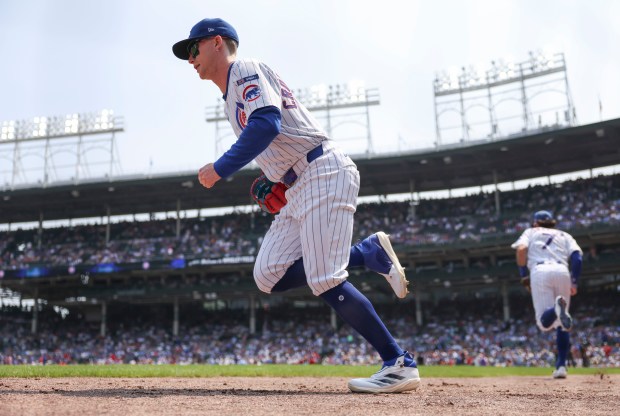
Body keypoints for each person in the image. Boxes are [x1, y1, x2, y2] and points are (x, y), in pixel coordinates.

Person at [172, 18, 419, 393]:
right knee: (267, 274)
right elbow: (273, 135)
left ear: (217, 43)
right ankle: (365, 254)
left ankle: (398, 362)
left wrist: (221, 168)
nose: (190, 58)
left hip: (322, 170)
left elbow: (267, 124)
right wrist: (272, 177)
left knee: (324, 278)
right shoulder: (230, 96)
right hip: (297, 183)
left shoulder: (244, 69)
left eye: (194, 48)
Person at [511, 210, 582, 379]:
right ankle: (561, 367)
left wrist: (523, 275)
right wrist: (574, 281)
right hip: (562, 270)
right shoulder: (564, 234)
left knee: (544, 323)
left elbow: (521, 249)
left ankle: (556, 310)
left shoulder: (530, 232)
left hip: (540, 271)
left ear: (535, 222)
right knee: (562, 325)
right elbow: (577, 257)